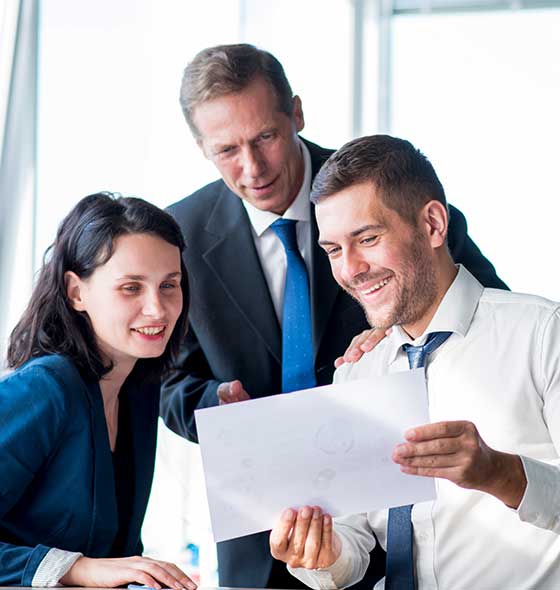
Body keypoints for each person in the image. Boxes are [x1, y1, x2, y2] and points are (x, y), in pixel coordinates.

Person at [159, 44, 507, 589]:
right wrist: (215, 403)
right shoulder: (179, 233)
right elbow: (168, 379)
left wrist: (401, 329)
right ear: (201, 147)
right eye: (226, 150)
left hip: (402, 512)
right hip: (262, 532)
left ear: (296, 113)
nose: (252, 168)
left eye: (266, 137)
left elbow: (487, 317)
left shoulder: (384, 189)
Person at [269, 134, 560, 589]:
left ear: (433, 224)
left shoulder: (542, 334)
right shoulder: (358, 369)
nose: (350, 269)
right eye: (333, 250)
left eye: (367, 238)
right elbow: (352, 544)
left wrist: (500, 473)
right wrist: (322, 556)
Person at [0, 193, 197, 589]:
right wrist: (77, 568)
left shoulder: (139, 391)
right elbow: (92, 567)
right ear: (76, 292)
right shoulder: (44, 389)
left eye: (168, 285)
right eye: (131, 288)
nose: (158, 309)